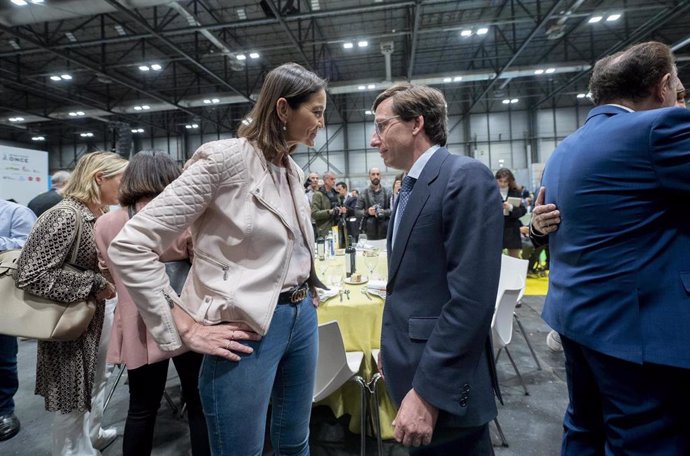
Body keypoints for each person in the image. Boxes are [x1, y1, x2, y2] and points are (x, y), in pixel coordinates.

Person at [107, 62, 327, 456]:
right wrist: (183, 325)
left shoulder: (291, 170)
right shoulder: (224, 160)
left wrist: (308, 285)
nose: (321, 123)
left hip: (301, 317)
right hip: (243, 328)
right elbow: (130, 245)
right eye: (316, 111)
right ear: (282, 109)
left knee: (295, 442)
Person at [537, 41, 690, 455]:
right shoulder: (662, 128)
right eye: (679, 85)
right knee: (645, 440)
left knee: (584, 429)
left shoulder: (564, 149)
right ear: (663, 87)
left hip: (577, 320)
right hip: (636, 333)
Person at [370, 82, 502, 455]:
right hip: (413, 366)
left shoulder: (464, 177)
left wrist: (428, 392)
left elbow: (471, 301)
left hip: (442, 386)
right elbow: (412, 285)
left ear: (416, 123)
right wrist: (392, 345)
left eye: (382, 126)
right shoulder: (409, 186)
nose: (374, 139)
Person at [93, 151, 210, 456]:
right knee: (198, 402)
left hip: (136, 324)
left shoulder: (105, 223)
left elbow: (106, 268)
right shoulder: (181, 216)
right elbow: (203, 264)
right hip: (185, 318)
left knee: (142, 408)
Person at [14, 151, 127, 456]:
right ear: (99, 178)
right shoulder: (64, 214)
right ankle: (70, 451)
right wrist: (94, 284)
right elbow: (31, 273)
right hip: (71, 319)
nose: (126, 184)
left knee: (96, 380)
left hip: (93, 315)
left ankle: (91, 436)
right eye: (120, 177)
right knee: (71, 391)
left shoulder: (96, 213)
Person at [0, 199, 36, 442]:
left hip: (2, 298)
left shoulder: (15, 213)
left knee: (2, 358)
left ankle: (3, 411)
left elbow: (30, 247)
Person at [496, 168, 527, 258]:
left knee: (514, 259)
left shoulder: (516, 192)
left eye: (505, 181)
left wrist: (511, 208)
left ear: (510, 181)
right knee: (495, 259)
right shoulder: (491, 192)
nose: (502, 184)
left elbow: (523, 211)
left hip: (512, 229)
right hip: (497, 228)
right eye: (500, 181)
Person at [356, 167, 392, 240]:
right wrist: (367, 212)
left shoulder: (388, 192)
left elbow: (393, 210)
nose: (376, 176)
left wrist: (383, 212)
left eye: (378, 174)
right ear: (369, 176)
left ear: (380, 176)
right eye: (373, 174)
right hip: (369, 232)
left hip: (385, 231)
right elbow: (356, 211)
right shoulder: (363, 193)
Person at [311, 171, 346, 238]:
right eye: (332, 179)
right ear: (325, 180)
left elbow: (340, 208)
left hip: (338, 228)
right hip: (325, 230)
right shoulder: (318, 195)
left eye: (334, 179)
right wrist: (329, 211)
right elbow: (314, 214)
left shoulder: (336, 194)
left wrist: (342, 210)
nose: (334, 181)